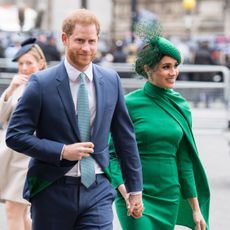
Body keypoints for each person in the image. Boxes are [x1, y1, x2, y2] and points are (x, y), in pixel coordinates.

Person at [5, 8, 143, 230]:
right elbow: (15, 136)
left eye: (91, 41)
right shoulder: (41, 83)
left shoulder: (111, 80)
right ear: (65, 39)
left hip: (98, 190)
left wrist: (135, 189)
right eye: (79, 40)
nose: (86, 48)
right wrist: (61, 151)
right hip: (52, 190)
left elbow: (125, 138)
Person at [109, 23, 210, 230]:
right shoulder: (129, 104)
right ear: (148, 69)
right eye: (166, 67)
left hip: (169, 196)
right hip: (135, 195)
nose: (173, 72)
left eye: (175, 65)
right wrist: (126, 191)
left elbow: (184, 161)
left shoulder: (181, 105)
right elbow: (111, 154)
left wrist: (195, 208)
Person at [0, 37, 47, 230]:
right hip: (10, 158)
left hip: (27, 158)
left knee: (13, 211)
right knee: (21, 215)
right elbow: (2, 117)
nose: (24, 67)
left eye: (29, 63)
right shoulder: (19, 87)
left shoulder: (46, 86)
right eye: (21, 63)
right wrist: (10, 90)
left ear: (41, 63)